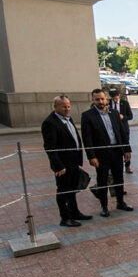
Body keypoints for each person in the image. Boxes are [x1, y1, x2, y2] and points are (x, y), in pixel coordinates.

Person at [81, 88, 133, 217]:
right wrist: (91, 156)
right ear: (93, 100)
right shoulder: (87, 116)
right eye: (97, 99)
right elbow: (87, 139)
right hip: (101, 154)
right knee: (102, 180)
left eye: (102, 99)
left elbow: (122, 132)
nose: (100, 101)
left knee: (119, 178)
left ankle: (120, 202)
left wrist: (127, 149)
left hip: (116, 151)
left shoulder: (114, 113)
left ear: (106, 99)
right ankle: (104, 206)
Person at [41, 95, 91, 227]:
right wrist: (58, 166)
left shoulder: (68, 119)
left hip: (73, 162)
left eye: (68, 106)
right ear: (55, 107)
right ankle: (65, 218)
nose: (67, 109)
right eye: (64, 106)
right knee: (63, 191)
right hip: (63, 165)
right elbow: (50, 147)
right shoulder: (50, 123)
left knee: (72, 189)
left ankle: (74, 212)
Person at [108, 88, 134, 173]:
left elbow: (130, 116)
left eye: (116, 98)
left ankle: (127, 165)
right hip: (113, 129)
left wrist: (123, 117)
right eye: (113, 99)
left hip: (123, 128)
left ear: (119, 95)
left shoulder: (124, 103)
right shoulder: (108, 103)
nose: (115, 100)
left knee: (126, 146)